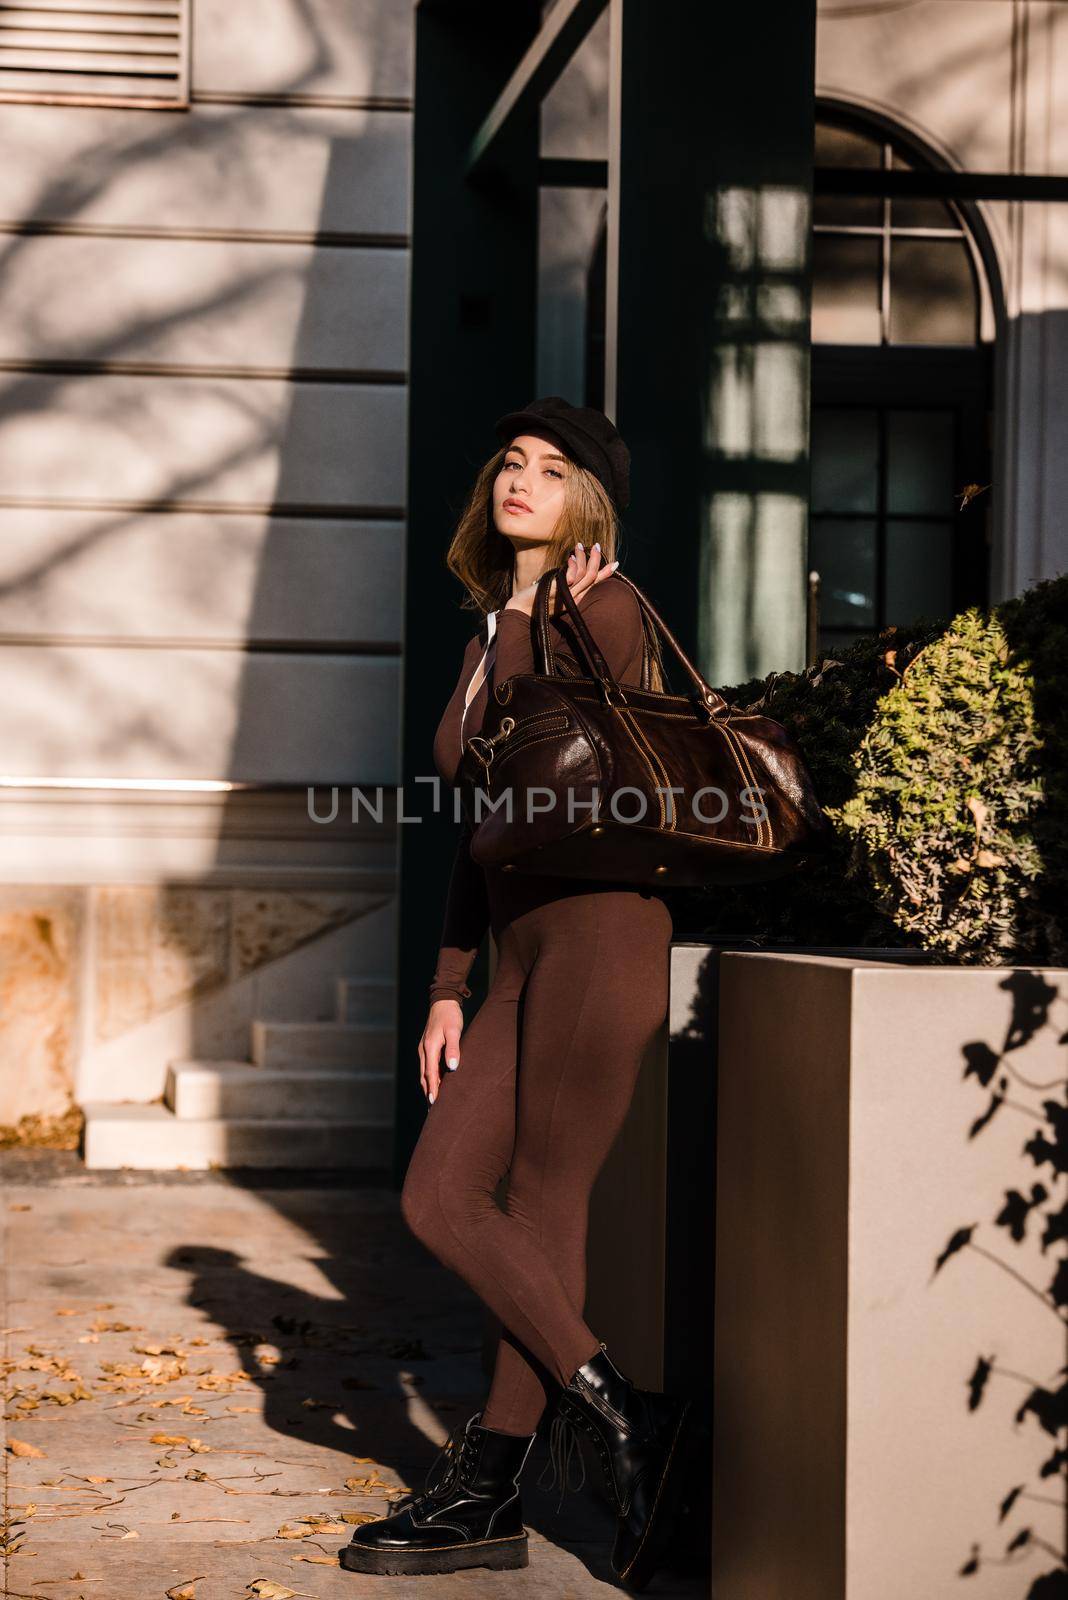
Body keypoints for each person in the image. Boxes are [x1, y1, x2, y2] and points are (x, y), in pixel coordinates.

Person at [341, 397, 695, 1590]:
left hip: (602, 937)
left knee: (542, 1204)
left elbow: (570, 764)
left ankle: (488, 1482)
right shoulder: (489, 626)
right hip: (517, 954)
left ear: (586, 501)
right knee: (444, 1193)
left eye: (551, 469)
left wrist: (544, 624)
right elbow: (477, 826)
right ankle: (629, 1417)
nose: (521, 479)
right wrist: (449, 983)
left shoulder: (607, 610)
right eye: (510, 460)